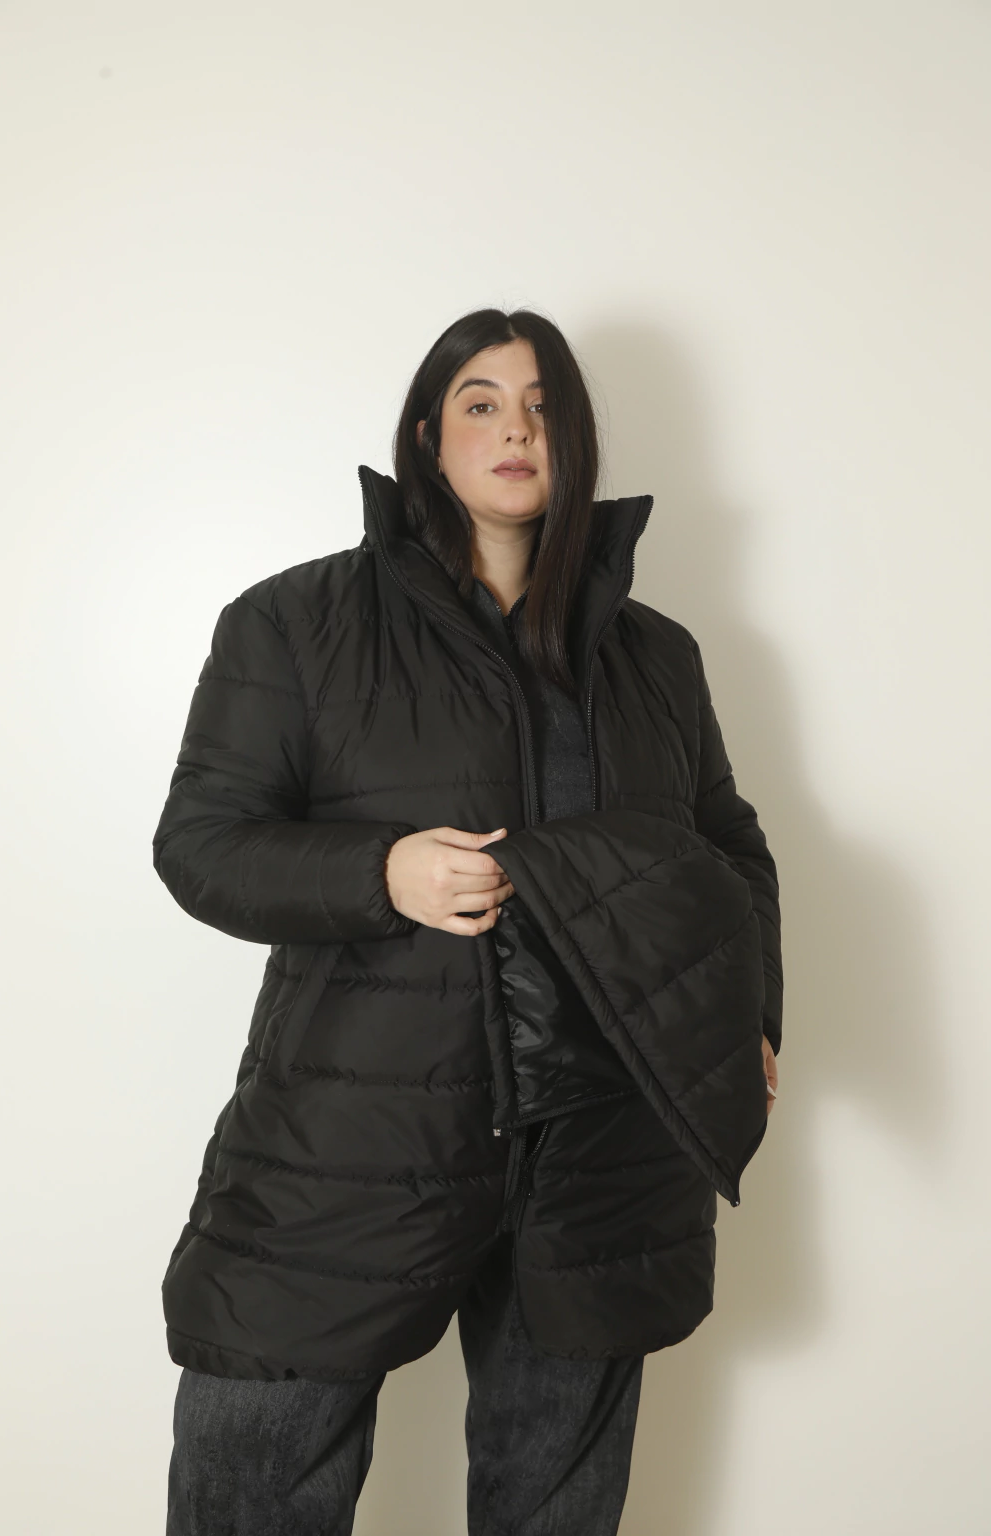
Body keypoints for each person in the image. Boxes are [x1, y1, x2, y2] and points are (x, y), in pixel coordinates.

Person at [154, 307, 782, 1536]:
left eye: (545, 408)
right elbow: (202, 846)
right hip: (355, 1139)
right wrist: (380, 871)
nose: (516, 430)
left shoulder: (656, 657)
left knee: (556, 1505)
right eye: (482, 403)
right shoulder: (293, 624)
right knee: (253, 1474)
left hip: (601, 1154)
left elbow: (726, 850)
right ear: (426, 437)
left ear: (577, 442)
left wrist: (748, 1019)